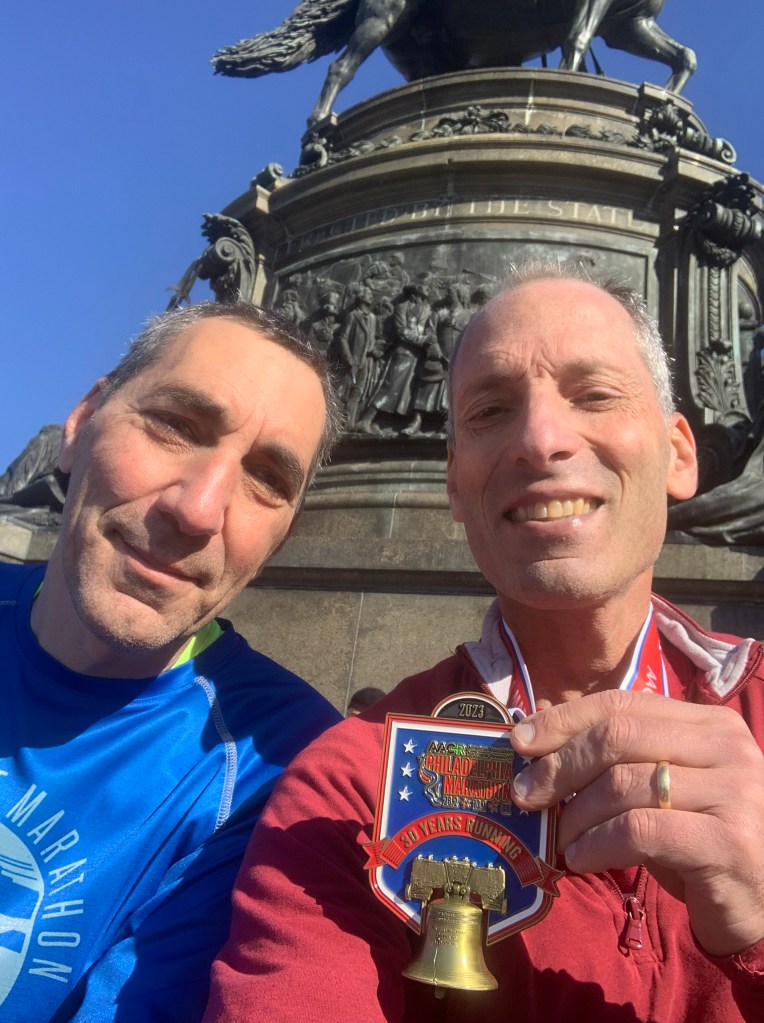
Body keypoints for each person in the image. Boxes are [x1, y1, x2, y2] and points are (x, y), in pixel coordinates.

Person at [203, 264, 764, 1023]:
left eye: (595, 394)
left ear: (679, 454)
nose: (541, 439)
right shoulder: (351, 787)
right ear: (455, 482)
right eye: (492, 410)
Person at [0, 301, 344, 1021]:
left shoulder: (284, 770)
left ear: (281, 539)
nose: (199, 510)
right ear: (81, 421)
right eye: (177, 426)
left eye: (266, 478)